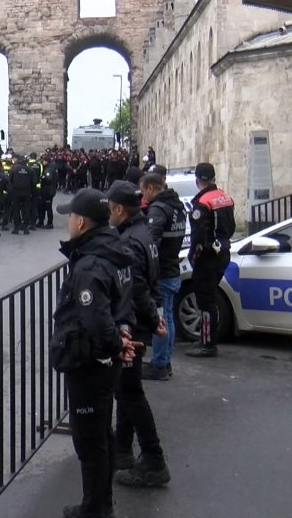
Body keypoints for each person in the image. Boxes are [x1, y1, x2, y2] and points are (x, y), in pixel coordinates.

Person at [51, 188, 138, 518]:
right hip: (105, 361)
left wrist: (116, 343)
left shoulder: (90, 265)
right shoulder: (113, 250)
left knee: (90, 443)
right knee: (101, 435)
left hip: (90, 363)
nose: (68, 222)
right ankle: (100, 505)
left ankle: (95, 510)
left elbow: (95, 320)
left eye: (70, 216)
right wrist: (122, 338)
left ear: (82, 222)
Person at [105, 181, 171, 488]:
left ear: (119, 209)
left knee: (131, 395)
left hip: (133, 325)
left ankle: (154, 460)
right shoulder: (143, 232)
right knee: (126, 391)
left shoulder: (130, 240)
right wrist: (154, 317)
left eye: (110, 209)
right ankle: (122, 452)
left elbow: (138, 286)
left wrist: (148, 320)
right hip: (140, 321)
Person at [140, 172, 187, 380]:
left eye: (143, 191)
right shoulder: (178, 207)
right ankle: (164, 361)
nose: (143, 196)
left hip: (162, 272)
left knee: (161, 318)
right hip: (173, 268)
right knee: (168, 316)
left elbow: (151, 243)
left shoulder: (158, 209)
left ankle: (159, 363)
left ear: (150, 188)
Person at [186, 162, 235, 358]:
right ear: (213, 178)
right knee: (211, 297)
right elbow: (230, 228)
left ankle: (207, 343)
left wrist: (193, 257)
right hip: (223, 251)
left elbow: (198, 238)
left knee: (205, 301)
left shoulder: (202, 203)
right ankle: (207, 339)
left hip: (207, 256)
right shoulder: (225, 197)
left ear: (198, 180)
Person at [7, 156, 34, 235]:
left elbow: (9, 180)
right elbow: (33, 182)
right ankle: (25, 228)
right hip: (26, 193)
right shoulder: (30, 170)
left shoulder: (14, 169)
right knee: (26, 211)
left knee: (16, 210)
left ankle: (16, 228)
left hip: (16, 193)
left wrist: (11, 190)